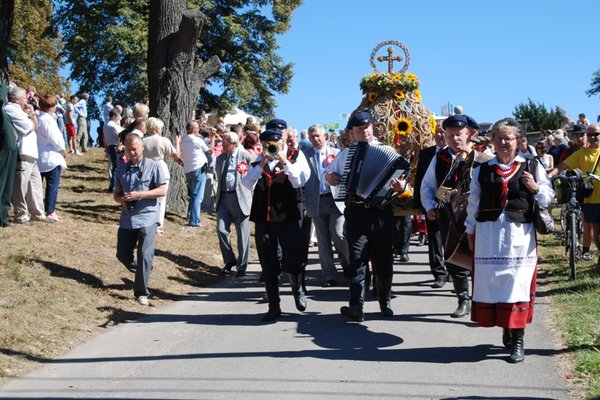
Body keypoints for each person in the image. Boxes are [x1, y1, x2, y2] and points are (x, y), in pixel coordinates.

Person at [466, 117, 554, 363]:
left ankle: (518, 339)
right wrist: (470, 232)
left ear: (518, 141)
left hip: (519, 237)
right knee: (494, 284)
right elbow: (473, 204)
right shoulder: (481, 170)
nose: (504, 142)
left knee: (517, 285)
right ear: (493, 142)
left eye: (509, 138)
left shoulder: (531, 166)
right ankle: (505, 326)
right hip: (488, 236)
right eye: (500, 138)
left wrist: (535, 188)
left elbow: (548, 196)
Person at [324, 111, 407, 322]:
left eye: (367, 127)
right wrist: (329, 176)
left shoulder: (387, 151)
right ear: (351, 134)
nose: (364, 131)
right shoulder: (345, 154)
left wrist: (400, 186)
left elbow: (403, 182)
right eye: (359, 129)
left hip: (381, 213)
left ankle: (384, 301)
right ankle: (356, 306)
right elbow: (329, 173)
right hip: (356, 211)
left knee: (383, 259)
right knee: (357, 259)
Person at [420, 114, 491, 318]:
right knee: (453, 257)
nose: (454, 139)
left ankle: (483, 300)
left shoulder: (482, 159)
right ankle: (463, 300)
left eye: (458, 134)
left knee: (481, 257)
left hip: (479, 217)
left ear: (468, 133)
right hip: (449, 217)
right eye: (450, 135)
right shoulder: (439, 158)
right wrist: (429, 206)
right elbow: (427, 186)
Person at [242, 125, 311, 322]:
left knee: (293, 260)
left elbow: (299, 181)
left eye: (273, 143)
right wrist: (261, 163)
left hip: (289, 217)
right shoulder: (258, 160)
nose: (270, 146)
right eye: (265, 144)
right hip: (265, 219)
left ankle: (297, 289)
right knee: (269, 264)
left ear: (282, 142)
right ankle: (274, 305)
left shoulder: (297, 156)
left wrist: (284, 160)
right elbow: (247, 184)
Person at [114, 133, 167, 306]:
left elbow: (162, 191)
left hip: (148, 218)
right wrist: (120, 199)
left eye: (135, 149)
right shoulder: (121, 169)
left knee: (145, 254)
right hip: (127, 219)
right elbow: (116, 194)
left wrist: (140, 195)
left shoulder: (154, 166)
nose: (132, 153)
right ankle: (144, 269)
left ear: (142, 147)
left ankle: (141, 292)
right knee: (122, 255)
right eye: (129, 150)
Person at [303, 124, 349, 286]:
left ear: (326, 137)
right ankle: (329, 274)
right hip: (316, 201)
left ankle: (347, 264)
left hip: (336, 200)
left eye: (318, 136)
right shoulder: (304, 156)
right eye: (312, 137)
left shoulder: (338, 154)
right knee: (322, 240)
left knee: (339, 233)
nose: (315, 139)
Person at [550, 124, 600, 265]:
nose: (592, 137)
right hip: (590, 198)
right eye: (589, 134)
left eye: (596, 134)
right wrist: (549, 175)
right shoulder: (581, 153)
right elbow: (563, 166)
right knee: (595, 229)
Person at [215, 132, 255, 276]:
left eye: (225, 142)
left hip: (241, 199)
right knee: (221, 229)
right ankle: (229, 259)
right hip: (224, 198)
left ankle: (242, 266)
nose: (222, 144)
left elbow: (255, 177)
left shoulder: (246, 157)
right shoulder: (220, 159)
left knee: (242, 234)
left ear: (234, 144)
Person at [4, 86, 46, 224]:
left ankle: (38, 214)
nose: (26, 101)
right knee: (20, 187)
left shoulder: (21, 111)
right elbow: (29, 127)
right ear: (16, 99)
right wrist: (31, 117)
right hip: (23, 151)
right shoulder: (10, 109)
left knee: (36, 185)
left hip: (31, 152)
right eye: (24, 98)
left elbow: (35, 125)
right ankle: (21, 215)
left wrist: (31, 114)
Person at [413, 123, 449, 288]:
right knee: (434, 239)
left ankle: (453, 271)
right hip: (432, 204)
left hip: (453, 206)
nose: (440, 136)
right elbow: (420, 179)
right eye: (438, 133)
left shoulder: (458, 154)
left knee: (450, 240)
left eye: (443, 133)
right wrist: (419, 204)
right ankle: (439, 273)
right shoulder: (427, 153)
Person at [143, 117, 181, 234]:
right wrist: (178, 143)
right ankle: (158, 226)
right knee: (161, 199)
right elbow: (176, 155)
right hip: (160, 168)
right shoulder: (163, 140)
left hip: (146, 168)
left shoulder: (142, 140)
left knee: (146, 196)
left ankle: (146, 222)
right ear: (157, 128)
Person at [36, 95, 67, 223]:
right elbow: (55, 137)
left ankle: (39, 208)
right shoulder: (47, 119)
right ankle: (50, 211)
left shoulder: (38, 118)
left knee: (38, 185)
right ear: (52, 106)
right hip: (50, 156)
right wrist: (62, 149)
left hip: (40, 154)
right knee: (52, 185)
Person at [179, 120, 213, 227]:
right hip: (198, 168)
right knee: (198, 196)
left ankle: (190, 215)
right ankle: (195, 221)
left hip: (188, 169)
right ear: (193, 129)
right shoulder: (197, 140)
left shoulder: (183, 140)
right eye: (197, 127)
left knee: (194, 194)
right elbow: (210, 151)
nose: (199, 129)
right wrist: (213, 138)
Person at [0, 84, 18, 228]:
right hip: (4, 149)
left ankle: (4, 218)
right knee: (2, 183)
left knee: (7, 186)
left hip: (10, 149)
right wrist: (4, 86)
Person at [104, 109, 123, 192]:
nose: (119, 118)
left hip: (111, 146)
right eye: (118, 116)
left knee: (115, 167)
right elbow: (121, 134)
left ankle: (113, 185)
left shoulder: (106, 125)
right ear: (114, 116)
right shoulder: (112, 125)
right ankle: (114, 186)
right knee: (117, 167)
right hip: (115, 146)